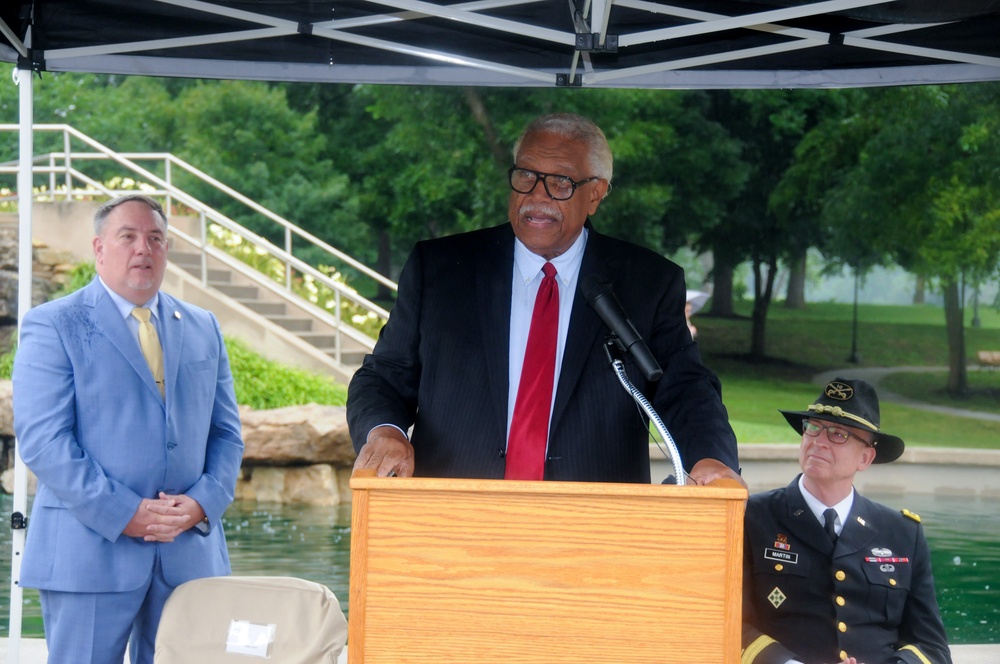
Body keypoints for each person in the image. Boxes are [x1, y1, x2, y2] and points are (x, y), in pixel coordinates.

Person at [348, 112, 742, 485]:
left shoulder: (647, 283)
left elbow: (687, 390)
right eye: (526, 176)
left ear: (596, 194)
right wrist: (385, 431)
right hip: (456, 520)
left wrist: (710, 458)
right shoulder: (441, 269)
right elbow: (383, 377)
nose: (537, 196)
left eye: (560, 182)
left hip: (591, 529)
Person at [13, 194, 245, 664]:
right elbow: (44, 442)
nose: (144, 248)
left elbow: (227, 434)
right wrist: (125, 512)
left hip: (189, 557)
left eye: (155, 238)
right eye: (129, 237)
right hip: (89, 554)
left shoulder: (204, 327)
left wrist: (202, 502)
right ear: (99, 248)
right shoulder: (53, 324)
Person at [742, 378, 952, 664]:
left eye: (838, 434)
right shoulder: (751, 517)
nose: (818, 442)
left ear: (865, 458)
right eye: (813, 428)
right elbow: (727, 621)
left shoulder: (902, 533)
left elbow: (932, 647)